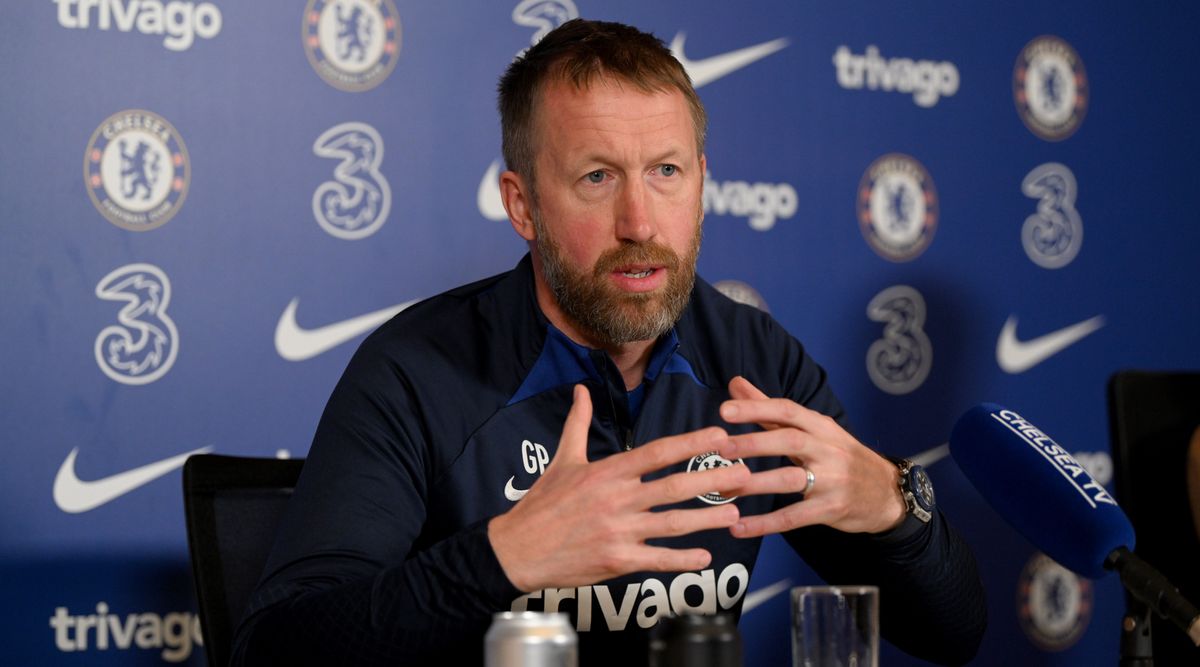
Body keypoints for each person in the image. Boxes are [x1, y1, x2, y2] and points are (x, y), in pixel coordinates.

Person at [231, 18, 986, 666]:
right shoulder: (416, 371)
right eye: (597, 177)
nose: (641, 222)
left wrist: (893, 504)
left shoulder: (752, 362)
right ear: (522, 205)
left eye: (666, 171)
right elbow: (273, 648)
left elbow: (954, 633)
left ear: (702, 182)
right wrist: (500, 558)